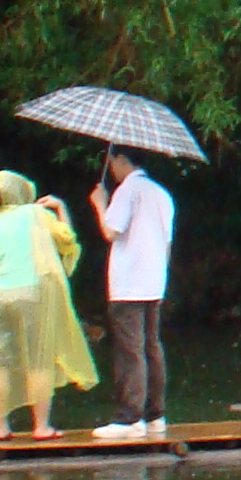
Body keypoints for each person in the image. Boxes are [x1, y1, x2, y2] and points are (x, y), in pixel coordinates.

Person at [0, 173, 94, 442]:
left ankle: (1, 428)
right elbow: (66, 239)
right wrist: (61, 209)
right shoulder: (36, 215)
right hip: (32, 294)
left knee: (2, 362)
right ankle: (41, 427)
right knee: (39, 359)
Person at [88, 146, 175, 442]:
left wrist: (100, 204)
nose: (111, 167)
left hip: (128, 283)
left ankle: (128, 418)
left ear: (123, 160)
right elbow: (166, 242)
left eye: (112, 161)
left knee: (130, 349)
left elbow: (111, 231)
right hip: (153, 280)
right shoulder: (162, 194)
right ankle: (155, 415)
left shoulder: (127, 191)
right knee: (152, 347)